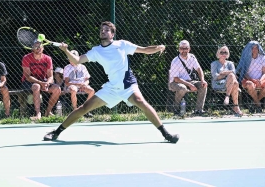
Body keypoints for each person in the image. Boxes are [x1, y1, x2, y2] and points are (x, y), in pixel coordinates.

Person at [43, 21, 179, 143]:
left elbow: (144, 50)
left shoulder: (122, 45)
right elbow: (77, 60)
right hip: (112, 88)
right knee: (84, 108)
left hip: (127, 84)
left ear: (112, 34)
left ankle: (166, 134)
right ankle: (56, 132)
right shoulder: (96, 51)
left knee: (141, 102)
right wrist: (65, 50)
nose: (103, 31)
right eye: (101, 29)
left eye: (107, 29)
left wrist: (158, 47)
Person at [21, 40, 61, 121]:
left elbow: (50, 76)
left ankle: (48, 112)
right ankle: (38, 114)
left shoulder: (48, 58)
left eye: (40, 46)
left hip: (43, 82)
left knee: (57, 89)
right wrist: (41, 83)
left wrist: (47, 83)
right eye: (36, 46)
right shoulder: (26, 58)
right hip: (28, 82)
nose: (38, 48)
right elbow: (28, 76)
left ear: (43, 48)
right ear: (32, 48)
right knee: (37, 86)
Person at [168, 40, 208, 115]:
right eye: (182, 48)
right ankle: (176, 109)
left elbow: (199, 69)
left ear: (189, 49)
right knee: (183, 88)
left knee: (203, 85)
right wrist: (190, 85)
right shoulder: (175, 61)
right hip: (175, 82)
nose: (184, 50)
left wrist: (202, 80)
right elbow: (176, 79)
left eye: (186, 48)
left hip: (189, 81)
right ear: (179, 49)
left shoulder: (192, 57)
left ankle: (198, 110)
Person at [211, 46, 243, 116]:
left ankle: (229, 98)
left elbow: (234, 73)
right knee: (234, 81)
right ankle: (235, 106)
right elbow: (215, 77)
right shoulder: (214, 64)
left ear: (227, 54)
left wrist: (223, 73)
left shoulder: (230, 63)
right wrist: (228, 74)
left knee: (233, 80)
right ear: (218, 54)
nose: (223, 54)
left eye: (225, 52)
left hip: (230, 84)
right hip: (218, 84)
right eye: (222, 52)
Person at [63, 50, 95, 117]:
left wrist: (85, 84)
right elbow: (67, 82)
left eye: (73, 58)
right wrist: (78, 85)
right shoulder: (67, 67)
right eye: (70, 58)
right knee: (74, 89)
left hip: (82, 85)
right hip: (71, 86)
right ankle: (75, 110)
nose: (71, 60)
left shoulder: (82, 67)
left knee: (92, 91)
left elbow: (87, 80)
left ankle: (85, 109)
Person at [236, 41, 265, 113]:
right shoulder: (246, 59)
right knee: (249, 85)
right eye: (253, 48)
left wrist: (260, 81)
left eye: (256, 48)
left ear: (259, 49)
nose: (254, 50)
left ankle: (254, 103)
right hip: (249, 79)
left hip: (261, 79)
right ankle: (258, 104)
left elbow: (264, 72)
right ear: (249, 49)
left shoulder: (263, 58)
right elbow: (244, 73)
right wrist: (253, 80)